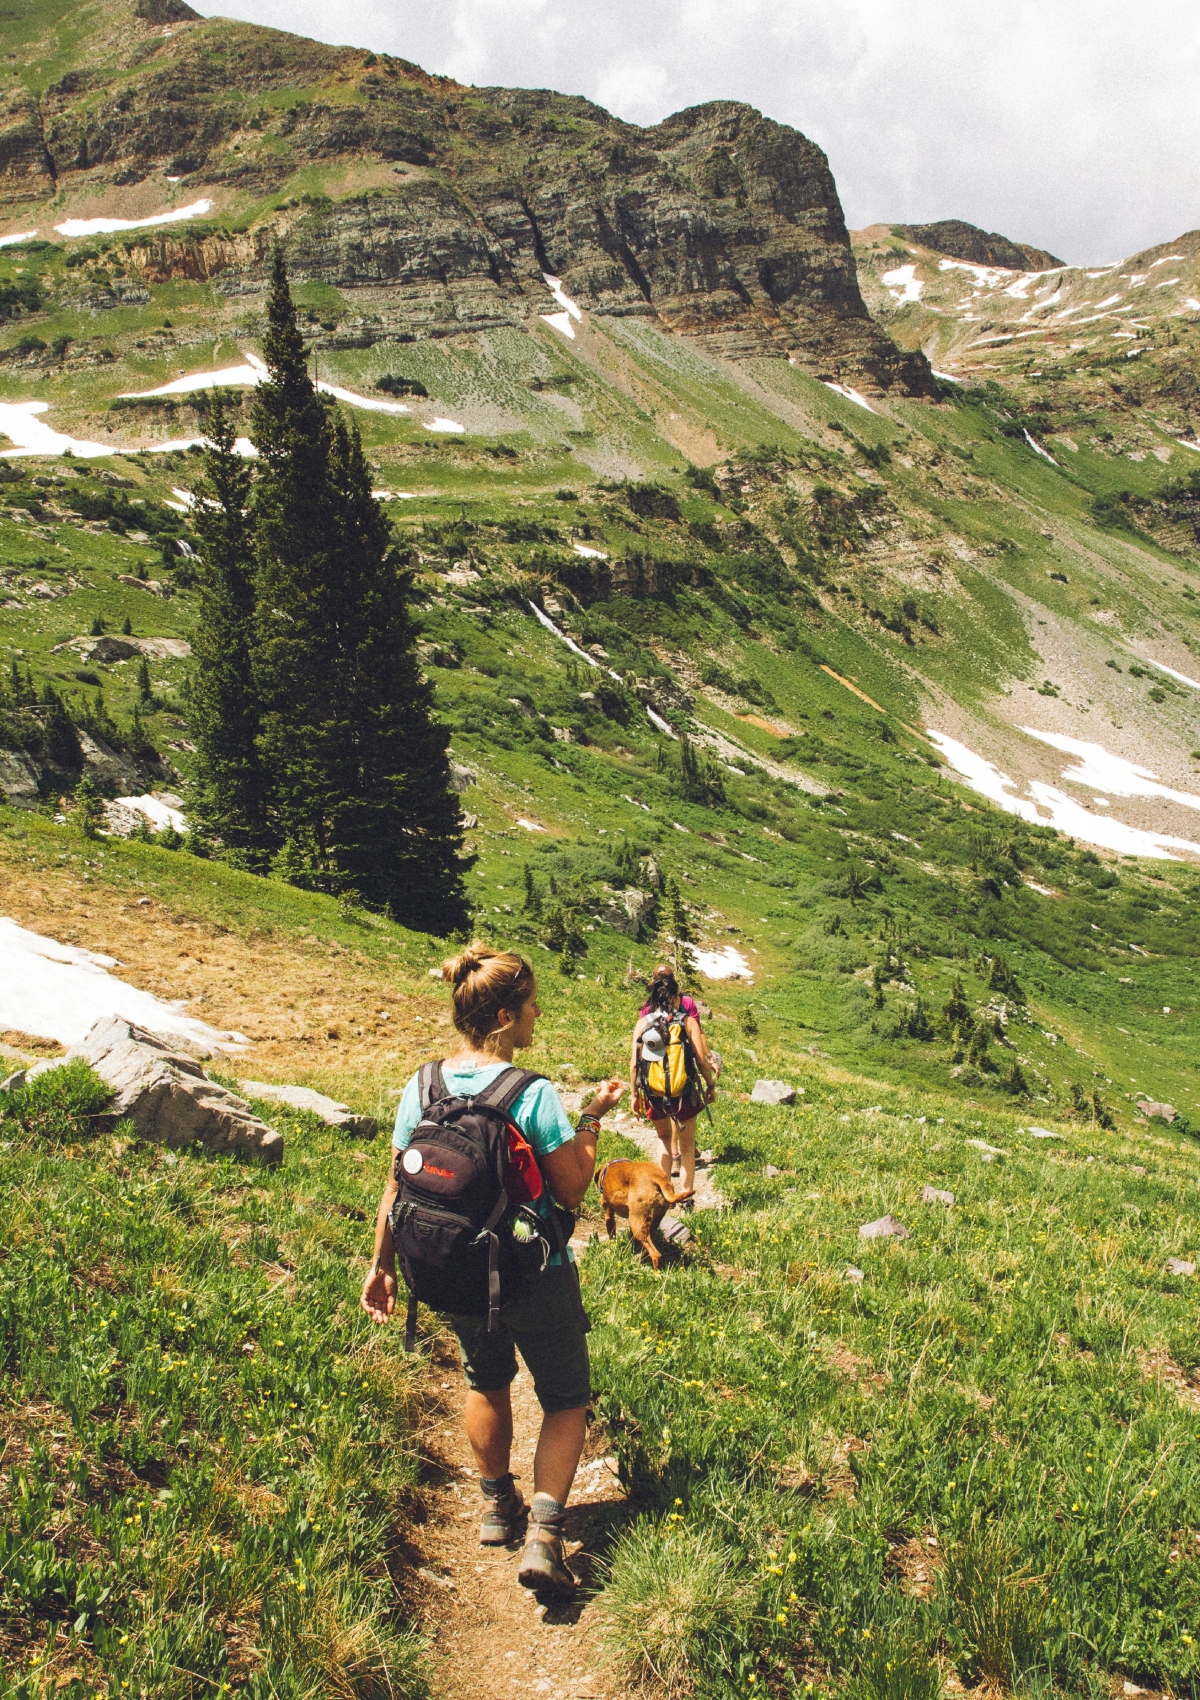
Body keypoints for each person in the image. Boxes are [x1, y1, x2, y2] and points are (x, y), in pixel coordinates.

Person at [361, 944, 623, 1597]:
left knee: (485, 1379)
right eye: (532, 1004)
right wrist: (590, 1118)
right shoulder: (530, 1093)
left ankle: (494, 1503)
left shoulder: (421, 1085)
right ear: (506, 1016)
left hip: (453, 1269)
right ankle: (544, 1534)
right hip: (534, 1271)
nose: (539, 1014)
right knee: (565, 1398)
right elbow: (570, 1190)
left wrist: (381, 1267)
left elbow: (398, 1183)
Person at [629, 964, 719, 1198]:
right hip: (684, 1090)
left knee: (664, 1139)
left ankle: (664, 1193)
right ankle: (686, 1195)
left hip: (654, 1092)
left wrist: (634, 1095)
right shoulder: (687, 1021)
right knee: (688, 1147)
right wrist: (710, 1086)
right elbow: (700, 1060)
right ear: (676, 995)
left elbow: (634, 1064)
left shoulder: (643, 1022)